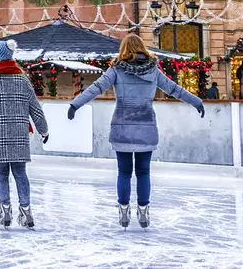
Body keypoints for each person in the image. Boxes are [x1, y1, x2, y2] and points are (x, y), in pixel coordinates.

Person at [68, 33, 203, 229]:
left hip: (122, 127)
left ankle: (123, 210)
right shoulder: (153, 70)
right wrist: (196, 101)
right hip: (145, 127)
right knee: (143, 172)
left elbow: (97, 88)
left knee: (124, 172)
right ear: (142, 48)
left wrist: (75, 105)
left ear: (124, 49)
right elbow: (174, 89)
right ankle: (143, 210)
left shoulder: (116, 69)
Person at [0, 39, 48, 228]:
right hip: (18, 133)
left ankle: (5, 210)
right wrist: (44, 130)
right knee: (20, 173)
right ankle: (26, 212)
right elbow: (35, 107)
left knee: (1, 173)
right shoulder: (22, 79)